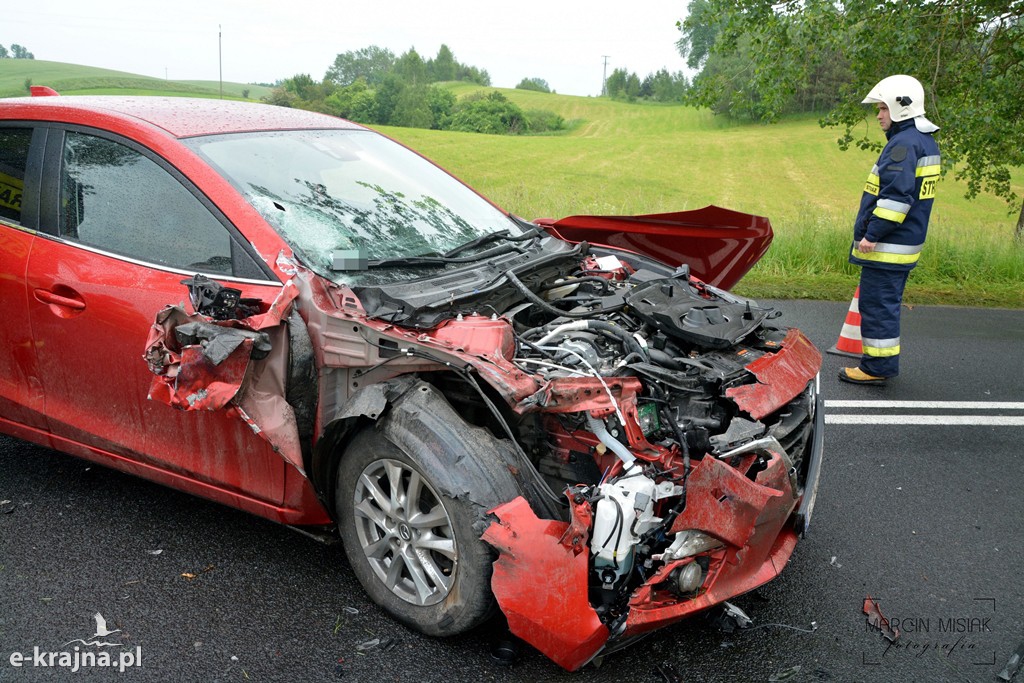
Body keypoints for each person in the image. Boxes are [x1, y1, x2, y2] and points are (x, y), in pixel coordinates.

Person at [839, 75, 941, 386]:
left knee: (877, 304)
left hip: (888, 246)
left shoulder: (904, 144)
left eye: (883, 109)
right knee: (884, 303)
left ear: (901, 108)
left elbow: (897, 198)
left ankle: (876, 368)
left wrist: (872, 235)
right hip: (905, 242)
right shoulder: (924, 140)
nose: (879, 115)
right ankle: (879, 363)